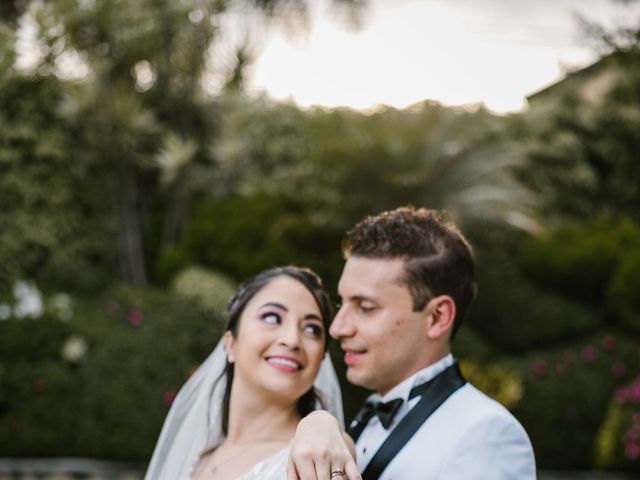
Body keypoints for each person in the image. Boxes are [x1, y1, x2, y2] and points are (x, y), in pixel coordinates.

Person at [287, 207, 536, 480]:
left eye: (366, 307)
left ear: (437, 317)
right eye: (341, 303)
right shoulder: (357, 422)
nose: (337, 328)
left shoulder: (487, 433)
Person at [145, 266, 347, 480]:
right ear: (230, 343)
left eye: (312, 329)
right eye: (272, 318)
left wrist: (321, 421)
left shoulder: (320, 449)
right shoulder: (198, 456)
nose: (292, 339)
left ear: (322, 357)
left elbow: (339, 451)